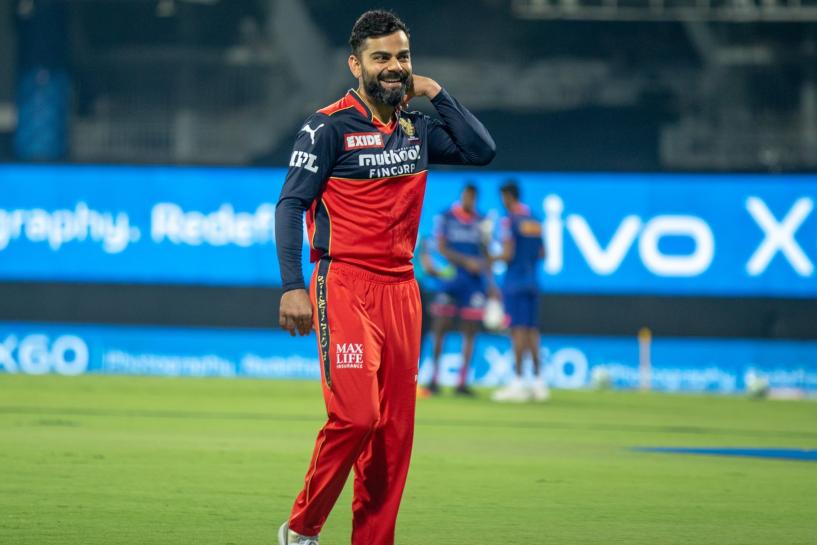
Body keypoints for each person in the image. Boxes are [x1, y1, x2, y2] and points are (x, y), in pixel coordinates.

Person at [274, 10, 495, 545]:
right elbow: (290, 204)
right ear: (356, 65)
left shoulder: (416, 128)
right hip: (345, 283)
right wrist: (293, 285)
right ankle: (301, 529)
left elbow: (481, 151)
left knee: (394, 436)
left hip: (402, 291)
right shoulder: (327, 127)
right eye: (381, 58)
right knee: (356, 417)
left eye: (402, 56)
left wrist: (435, 91)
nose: (394, 66)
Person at [426, 184, 492, 396]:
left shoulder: (482, 221)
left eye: (472, 198)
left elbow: (487, 252)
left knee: (470, 330)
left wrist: (491, 283)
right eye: (466, 196)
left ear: (476, 198)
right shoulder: (446, 217)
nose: (468, 200)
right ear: (462, 196)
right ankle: (433, 378)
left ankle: (462, 382)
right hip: (451, 278)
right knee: (440, 327)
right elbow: (441, 247)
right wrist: (465, 261)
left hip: (473, 283)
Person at [491, 181, 550, 403]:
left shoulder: (509, 220)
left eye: (502, 197)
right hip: (532, 281)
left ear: (508, 196)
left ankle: (517, 382)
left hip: (515, 282)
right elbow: (543, 253)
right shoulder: (534, 219)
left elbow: (507, 254)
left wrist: (489, 256)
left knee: (517, 330)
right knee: (532, 331)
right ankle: (539, 383)